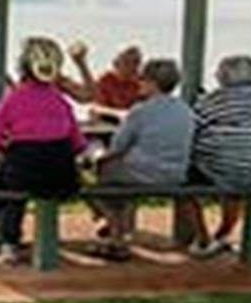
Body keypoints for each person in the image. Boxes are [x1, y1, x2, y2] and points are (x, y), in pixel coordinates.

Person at [0, 36, 82, 265]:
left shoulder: (14, 99)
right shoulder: (61, 101)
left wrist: (6, 148)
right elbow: (78, 144)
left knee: (10, 177)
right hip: (63, 179)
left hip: (24, 174)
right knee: (17, 175)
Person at [82, 57, 193, 261]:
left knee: (99, 175)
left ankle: (116, 238)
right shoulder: (185, 110)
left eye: (142, 79)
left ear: (152, 83)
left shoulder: (140, 111)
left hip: (143, 174)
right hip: (175, 175)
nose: (138, 83)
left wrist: (95, 154)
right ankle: (119, 232)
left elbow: (117, 148)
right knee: (116, 177)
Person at [189, 53, 251, 258]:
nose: (215, 74)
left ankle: (203, 239)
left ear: (225, 76)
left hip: (228, 170)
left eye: (218, 70)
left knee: (182, 182)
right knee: (236, 178)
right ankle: (222, 235)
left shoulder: (215, 99)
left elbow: (193, 126)